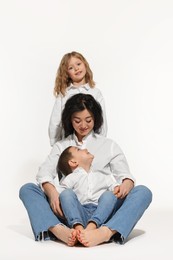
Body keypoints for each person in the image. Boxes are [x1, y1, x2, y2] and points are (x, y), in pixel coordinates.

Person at [19, 93, 152, 247]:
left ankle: (104, 232)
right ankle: (60, 231)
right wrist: (53, 193)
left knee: (143, 192)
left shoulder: (108, 145)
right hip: (71, 211)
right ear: (70, 120)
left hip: (104, 210)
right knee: (28, 189)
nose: (83, 125)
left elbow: (125, 175)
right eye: (77, 120)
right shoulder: (62, 145)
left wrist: (126, 184)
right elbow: (44, 174)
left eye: (88, 120)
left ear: (95, 119)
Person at [48, 51, 107, 146]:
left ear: (85, 65)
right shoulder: (64, 94)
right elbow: (55, 121)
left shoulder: (95, 93)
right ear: (66, 73)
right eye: (71, 68)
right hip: (69, 143)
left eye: (78, 64)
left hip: (91, 142)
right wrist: (55, 144)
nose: (76, 68)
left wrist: (101, 141)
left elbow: (101, 118)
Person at [57, 146, 118, 235]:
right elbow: (60, 193)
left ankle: (92, 226)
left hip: (101, 212)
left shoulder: (101, 176)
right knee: (66, 194)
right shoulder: (71, 178)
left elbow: (113, 185)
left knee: (109, 195)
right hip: (81, 212)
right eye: (78, 149)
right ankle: (78, 226)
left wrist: (116, 188)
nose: (85, 149)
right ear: (73, 162)